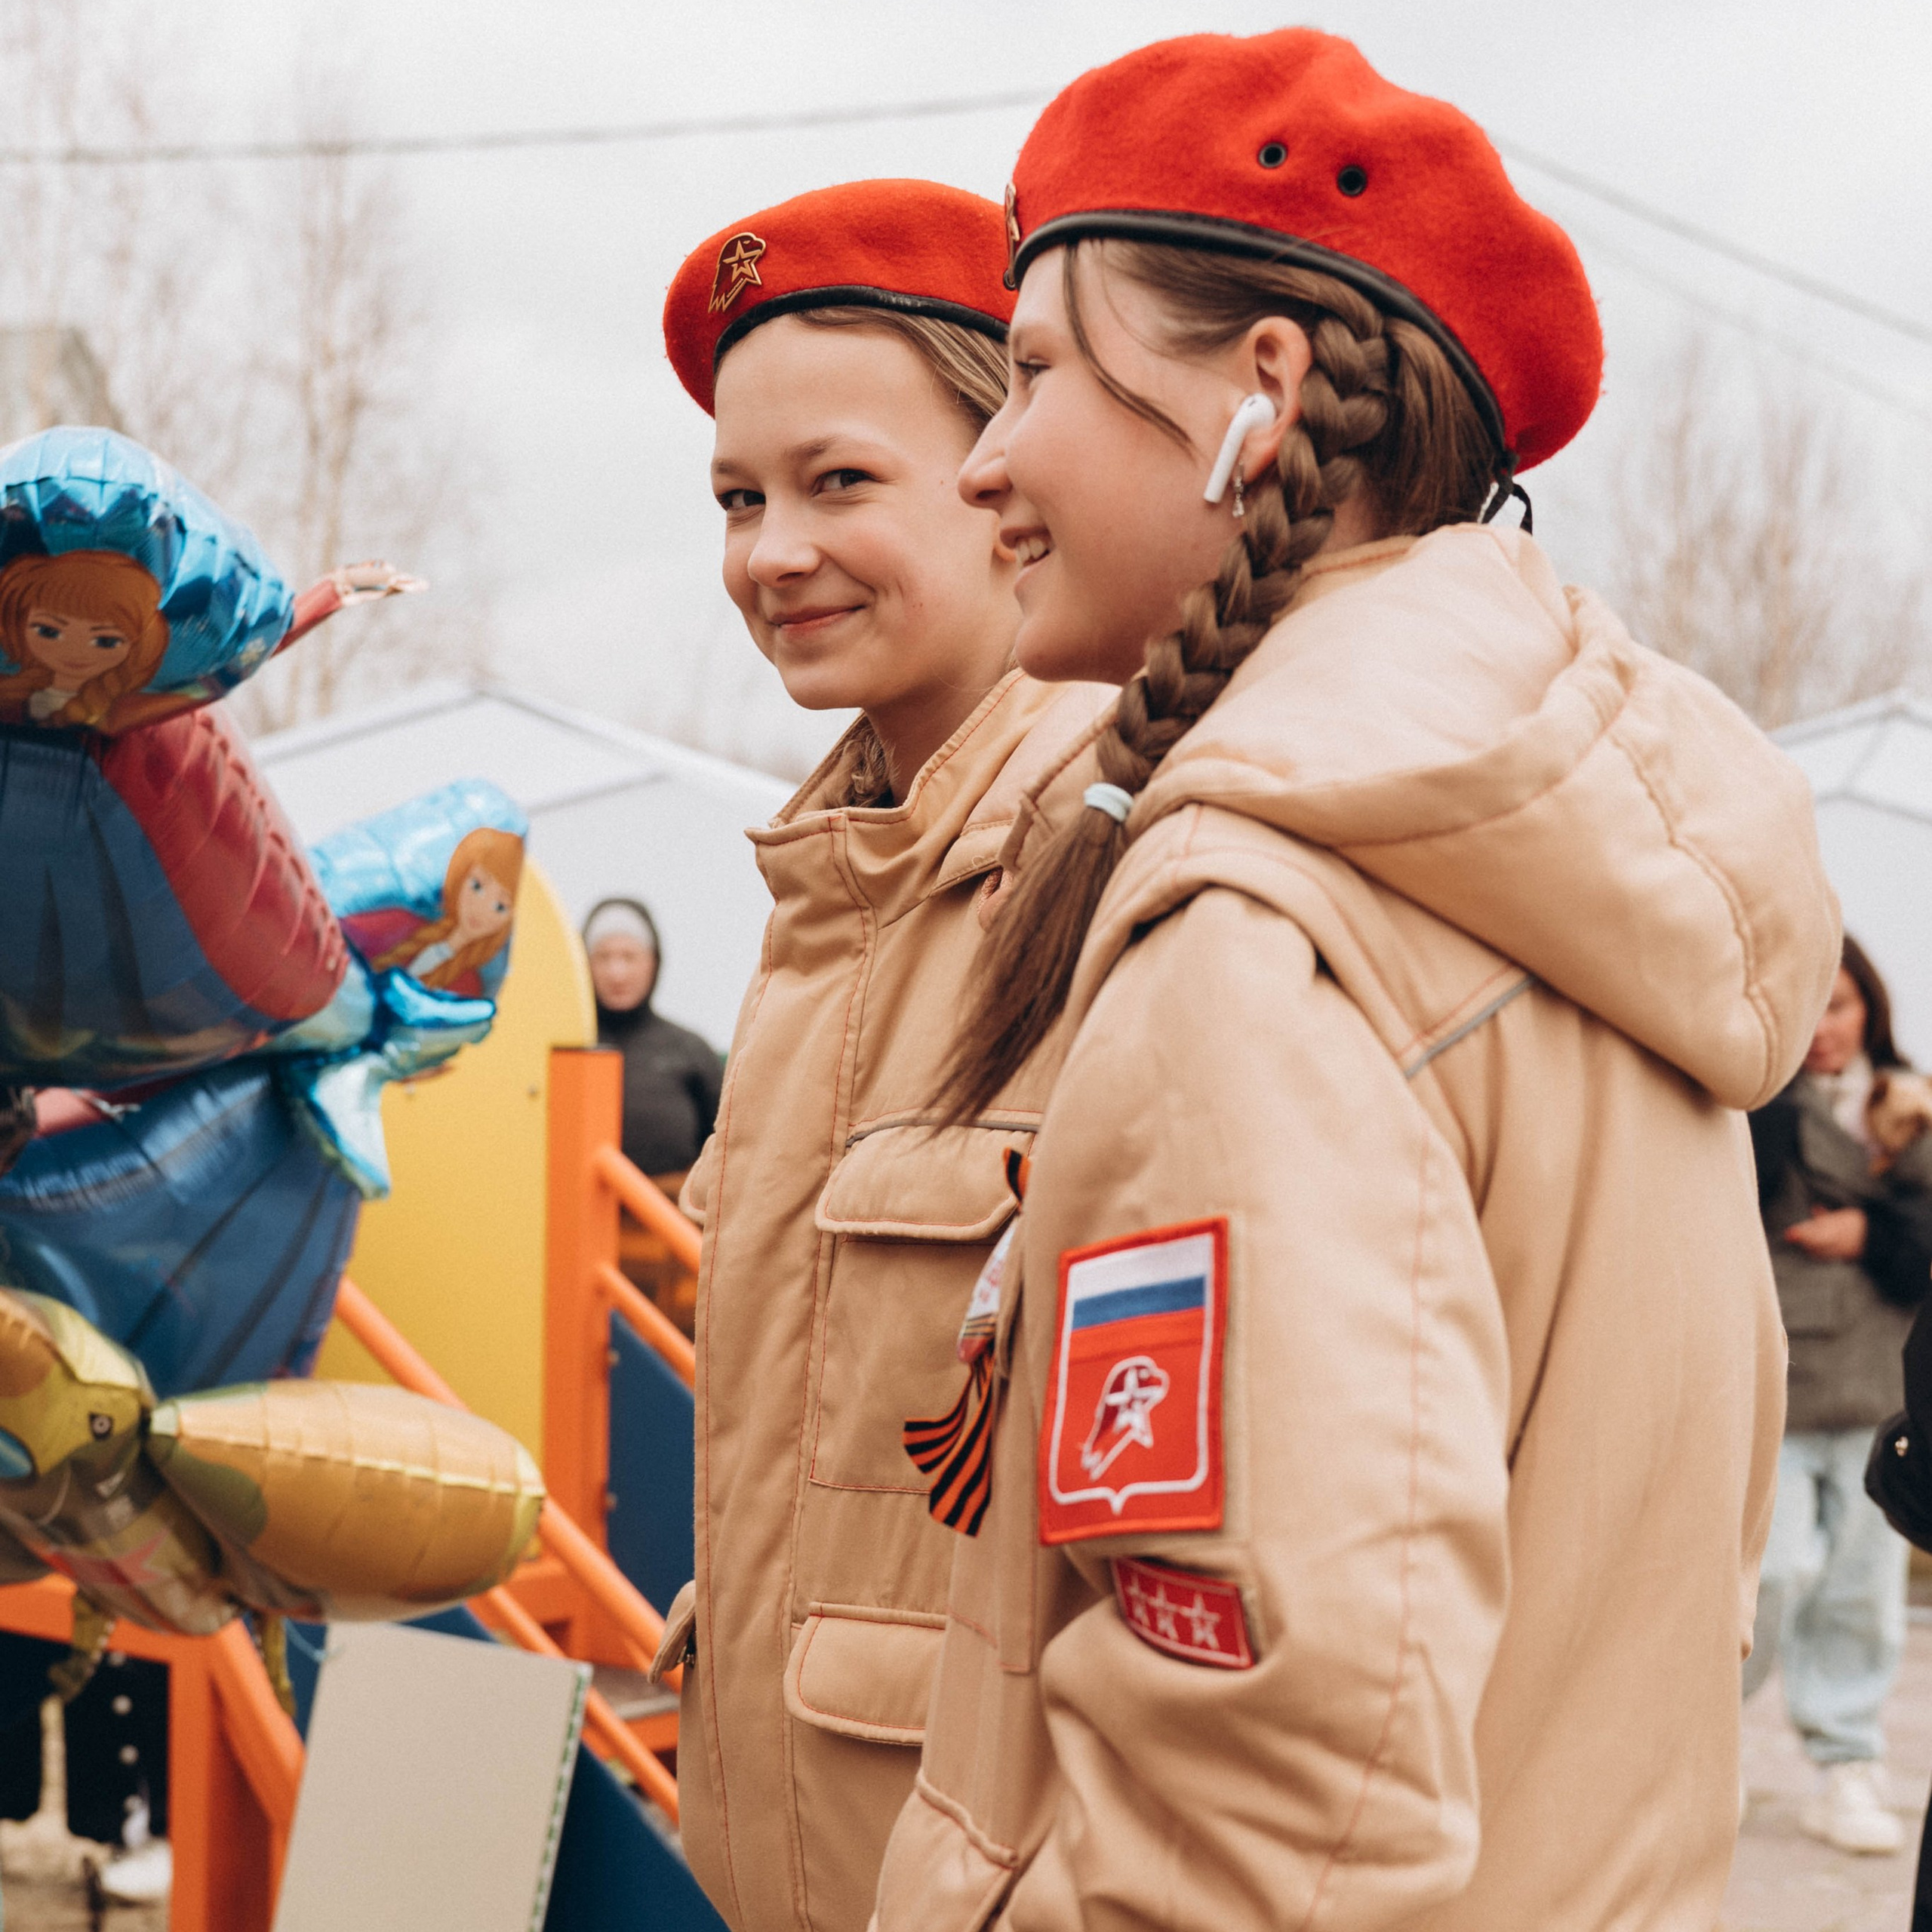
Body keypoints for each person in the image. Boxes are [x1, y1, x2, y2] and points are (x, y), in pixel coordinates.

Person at [869, 30, 1842, 1930]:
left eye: (1040, 370)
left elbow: (1264, 1810)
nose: (983, 458)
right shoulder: (1554, 888)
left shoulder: (1258, 939)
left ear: (1260, 391)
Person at [648, 181, 1107, 1932]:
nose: (770, 552)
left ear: (1013, 481)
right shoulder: (835, 887)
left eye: (839, 481)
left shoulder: (1127, 867)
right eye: (734, 498)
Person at [1746, 936, 1932, 1854]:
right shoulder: (1749, 1094)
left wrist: (1876, 1221)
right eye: (1811, 1006)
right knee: (1765, 1575)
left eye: (1843, 1005)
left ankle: (1845, 1760)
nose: (1827, 1028)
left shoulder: (1911, 1101)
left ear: (1871, 1009)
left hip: (1875, 1370)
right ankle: (1710, 1740)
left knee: (1862, 1588)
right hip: (1778, 1370)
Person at [583, 897, 722, 1331]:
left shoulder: (689, 1051)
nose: (617, 972)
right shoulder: (566, 1046)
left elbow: (727, 1149)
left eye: (629, 956)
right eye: (603, 957)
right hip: (583, 1237)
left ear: (653, 962)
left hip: (667, 1243)